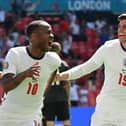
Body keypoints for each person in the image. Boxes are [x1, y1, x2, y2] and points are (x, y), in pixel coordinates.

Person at [56, 13, 126, 126]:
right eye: (119, 26)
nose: (120, 30)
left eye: (125, 27)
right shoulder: (108, 48)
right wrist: (61, 76)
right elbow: (86, 68)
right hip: (105, 111)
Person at [0, 20, 62, 126]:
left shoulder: (54, 60)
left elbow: (48, 85)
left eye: (51, 32)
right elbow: (6, 86)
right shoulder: (15, 54)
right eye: (48, 32)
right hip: (8, 115)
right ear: (33, 36)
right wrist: (25, 74)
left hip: (31, 116)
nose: (52, 36)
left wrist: (38, 100)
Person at [42, 42, 70, 126]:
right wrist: (68, 98)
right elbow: (67, 84)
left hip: (48, 98)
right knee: (66, 122)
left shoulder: (45, 64)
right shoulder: (63, 64)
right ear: (59, 50)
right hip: (62, 97)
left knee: (49, 122)